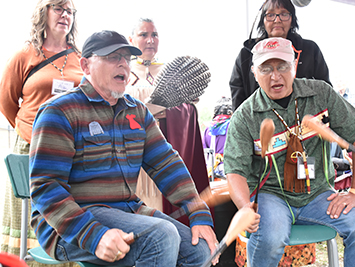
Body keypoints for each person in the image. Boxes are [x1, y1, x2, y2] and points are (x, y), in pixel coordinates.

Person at [29, 30, 218, 266]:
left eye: (126, 58)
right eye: (112, 57)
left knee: (199, 250)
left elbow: (167, 164)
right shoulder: (60, 111)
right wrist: (93, 235)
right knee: (160, 237)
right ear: (85, 65)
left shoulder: (137, 112)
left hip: (128, 211)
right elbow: (46, 187)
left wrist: (198, 213)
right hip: (71, 223)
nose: (123, 64)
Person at [223, 37, 355, 267]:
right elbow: (235, 171)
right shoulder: (245, 116)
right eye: (266, 69)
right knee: (271, 235)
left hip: (317, 194)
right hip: (271, 195)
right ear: (254, 73)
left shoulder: (321, 94)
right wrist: (245, 206)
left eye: (282, 66)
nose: (275, 76)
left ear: (294, 64)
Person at [0, 0, 82, 264]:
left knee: (62, 213)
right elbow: (6, 100)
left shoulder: (80, 57)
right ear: (43, 12)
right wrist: (28, 130)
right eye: (58, 8)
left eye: (69, 10)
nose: (65, 15)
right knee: (26, 216)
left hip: (69, 152)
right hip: (30, 148)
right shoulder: (25, 54)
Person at [126, 18, 210, 221]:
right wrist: (151, 110)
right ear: (131, 39)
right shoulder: (123, 73)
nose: (150, 40)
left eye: (154, 34)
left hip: (163, 150)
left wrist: (173, 110)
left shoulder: (171, 73)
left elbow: (188, 109)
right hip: (131, 153)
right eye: (143, 35)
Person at [229, 0, 331, 111]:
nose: (277, 20)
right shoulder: (246, 54)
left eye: (284, 14)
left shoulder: (310, 50)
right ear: (263, 21)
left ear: (292, 20)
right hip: (261, 124)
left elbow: (325, 90)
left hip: (305, 122)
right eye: (270, 15)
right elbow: (238, 96)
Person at [203, 96, 233, 179]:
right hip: (229, 169)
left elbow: (204, 151)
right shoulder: (233, 126)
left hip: (211, 170)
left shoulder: (208, 128)